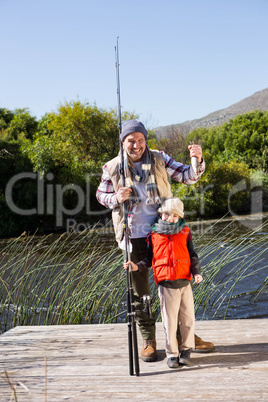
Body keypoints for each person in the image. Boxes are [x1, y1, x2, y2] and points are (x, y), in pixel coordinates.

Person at [96, 119, 214, 361]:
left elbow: (188, 177)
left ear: (145, 140)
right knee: (142, 294)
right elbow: (100, 195)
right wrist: (116, 197)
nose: (136, 145)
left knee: (177, 287)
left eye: (140, 140)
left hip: (165, 235)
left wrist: (197, 160)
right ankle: (149, 339)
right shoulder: (112, 167)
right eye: (131, 141)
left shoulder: (160, 158)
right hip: (133, 237)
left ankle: (184, 338)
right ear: (123, 142)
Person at [124, 197, 202, 368]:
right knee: (169, 321)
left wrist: (197, 273)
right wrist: (136, 267)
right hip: (166, 285)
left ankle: (186, 349)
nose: (170, 219)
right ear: (161, 214)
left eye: (175, 216)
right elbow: (148, 260)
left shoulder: (185, 231)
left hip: (185, 283)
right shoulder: (153, 235)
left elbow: (192, 254)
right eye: (167, 214)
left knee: (188, 318)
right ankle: (172, 354)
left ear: (179, 217)